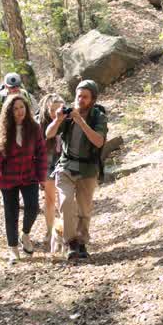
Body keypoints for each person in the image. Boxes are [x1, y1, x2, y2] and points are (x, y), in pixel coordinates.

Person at [45, 79, 107, 261]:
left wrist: (81, 122)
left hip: (88, 169)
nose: (80, 100)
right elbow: (48, 134)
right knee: (65, 203)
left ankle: (81, 243)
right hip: (66, 166)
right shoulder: (69, 115)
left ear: (93, 99)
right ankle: (70, 242)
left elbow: (98, 141)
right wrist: (57, 120)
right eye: (78, 96)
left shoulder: (98, 117)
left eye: (85, 97)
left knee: (84, 209)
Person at [0, 93, 47, 264]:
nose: (19, 111)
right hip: (9, 178)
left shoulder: (34, 128)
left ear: (27, 109)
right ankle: (13, 249)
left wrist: (41, 176)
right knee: (11, 213)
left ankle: (26, 234)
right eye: (15, 109)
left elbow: (41, 154)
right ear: (10, 112)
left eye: (22, 107)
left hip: (29, 176)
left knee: (33, 207)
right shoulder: (4, 129)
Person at [36, 93, 67, 253]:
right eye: (53, 109)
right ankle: (49, 231)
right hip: (47, 162)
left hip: (64, 161)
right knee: (50, 200)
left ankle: (63, 233)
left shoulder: (68, 119)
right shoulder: (40, 124)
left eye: (59, 109)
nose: (56, 112)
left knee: (64, 199)